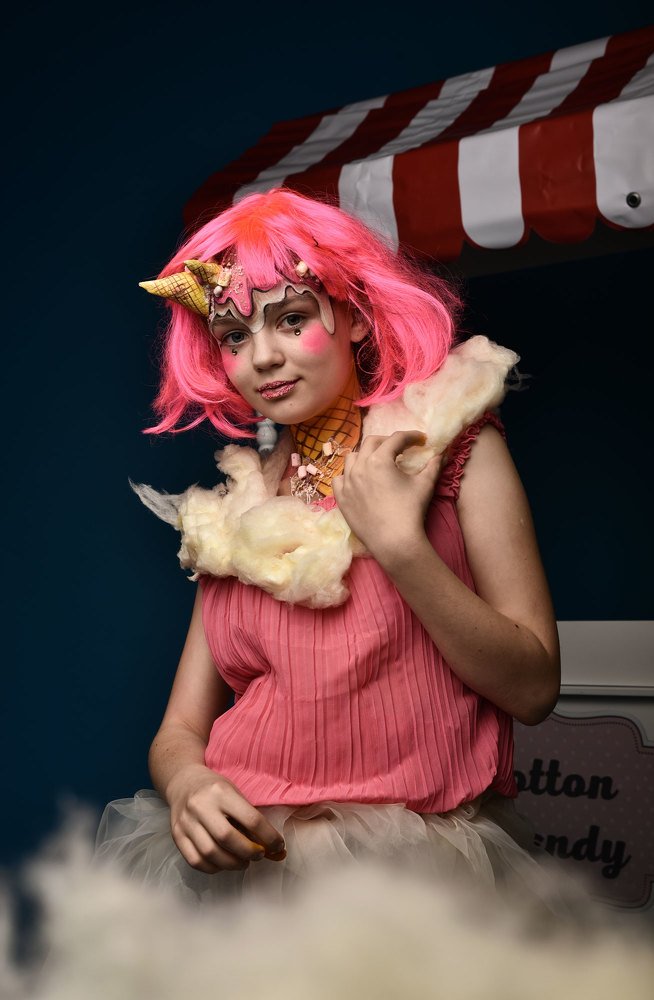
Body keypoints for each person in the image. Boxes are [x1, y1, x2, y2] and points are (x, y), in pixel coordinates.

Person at [96, 188, 560, 906]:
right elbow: (181, 727)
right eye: (234, 336)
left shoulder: (450, 447)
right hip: (253, 872)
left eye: (291, 319)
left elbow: (532, 689)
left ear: (355, 315)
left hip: (413, 879)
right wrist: (188, 784)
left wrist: (400, 547)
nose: (263, 357)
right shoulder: (238, 508)